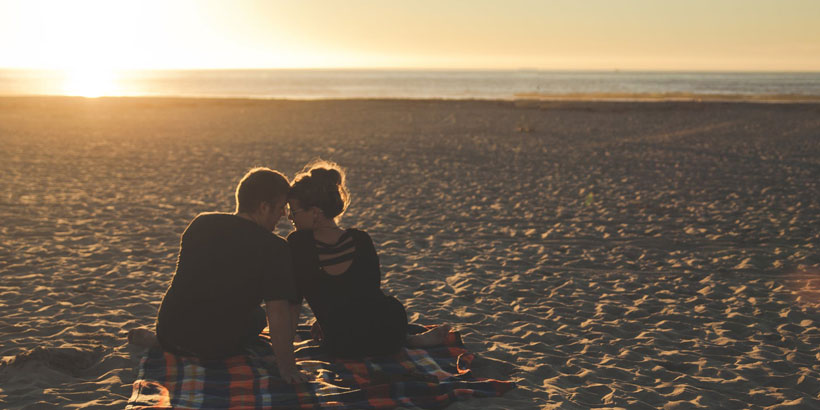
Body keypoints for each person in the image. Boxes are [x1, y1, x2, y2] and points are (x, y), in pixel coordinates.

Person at [129, 167, 306, 383]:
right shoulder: (274, 247)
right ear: (263, 207)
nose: (283, 215)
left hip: (168, 331)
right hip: (213, 347)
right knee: (258, 317)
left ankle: (162, 346)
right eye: (280, 208)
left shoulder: (201, 223)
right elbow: (277, 314)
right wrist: (287, 368)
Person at [286, 160, 449, 358]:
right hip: (387, 332)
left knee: (359, 327)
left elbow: (293, 303)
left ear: (315, 212)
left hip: (342, 342)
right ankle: (409, 340)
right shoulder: (360, 239)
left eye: (293, 211)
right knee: (385, 308)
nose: (290, 218)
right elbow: (365, 294)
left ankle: (409, 340)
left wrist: (286, 350)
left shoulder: (298, 244)